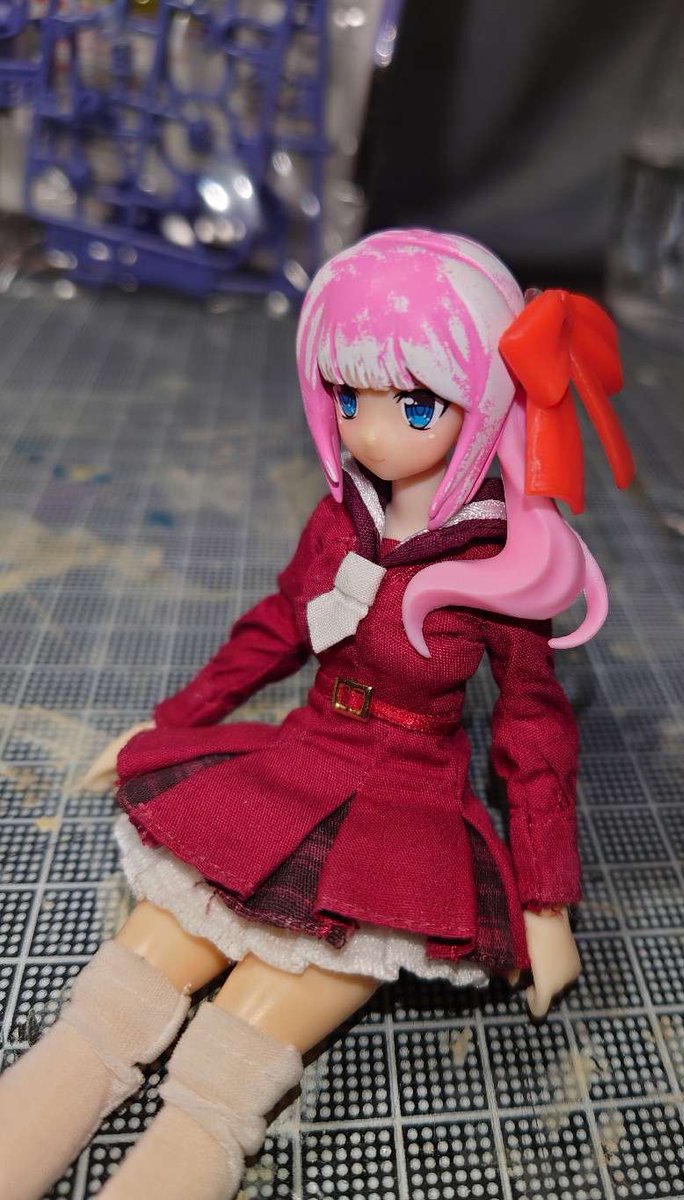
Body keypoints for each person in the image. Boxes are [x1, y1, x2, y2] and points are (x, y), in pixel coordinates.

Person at [0, 229, 632, 1200]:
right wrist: (175, 719)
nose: (371, 435)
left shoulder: (502, 565)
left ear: (482, 402)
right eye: (347, 398)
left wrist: (546, 900)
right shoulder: (343, 517)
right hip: (295, 762)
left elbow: (533, 730)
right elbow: (277, 628)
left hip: (402, 811)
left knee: (228, 1069)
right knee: (113, 1005)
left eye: (414, 404)